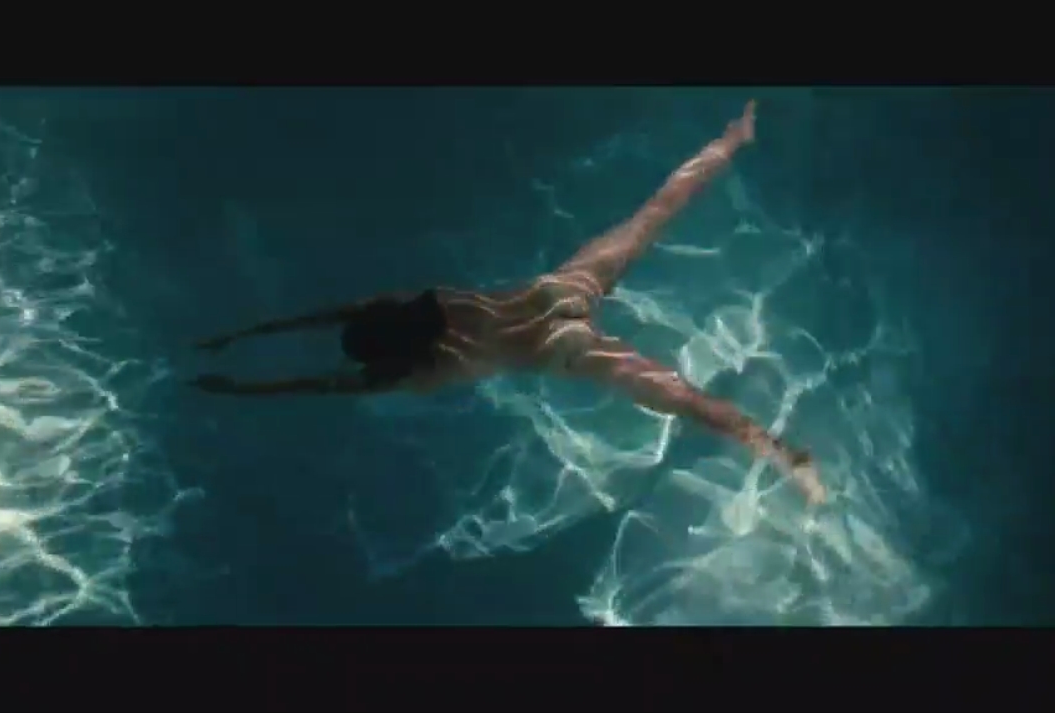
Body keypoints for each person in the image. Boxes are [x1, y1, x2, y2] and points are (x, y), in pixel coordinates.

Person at [191, 101, 827, 505]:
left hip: (562, 349)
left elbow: (315, 385)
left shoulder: (414, 370)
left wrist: (241, 387)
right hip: (556, 291)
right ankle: (733, 138)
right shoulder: (424, 301)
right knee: (654, 212)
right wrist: (247, 334)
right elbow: (332, 315)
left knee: (684, 401)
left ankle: (789, 460)